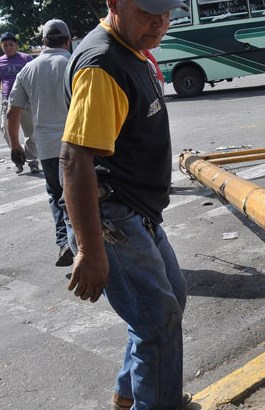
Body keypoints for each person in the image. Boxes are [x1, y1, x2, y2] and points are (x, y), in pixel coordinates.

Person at [60, 0, 192, 408]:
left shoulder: (132, 49)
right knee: (156, 321)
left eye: (167, 12)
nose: (159, 22)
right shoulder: (103, 66)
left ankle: (128, 392)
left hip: (140, 211)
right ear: (114, 3)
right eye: (147, 11)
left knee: (172, 299)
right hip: (113, 216)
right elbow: (74, 159)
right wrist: (90, 249)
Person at [7, 19, 74, 267]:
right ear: (67, 40)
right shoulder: (76, 64)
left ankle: (65, 243)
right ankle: (87, 243)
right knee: (85, 195)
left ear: (43, 42)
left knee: (57, 195)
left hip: (46, 148)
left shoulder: (28, 70)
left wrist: (15, 146)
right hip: (79, 144)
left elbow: (12, 112)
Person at [0, 31, 39, 174]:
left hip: (25, 101)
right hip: (7, 101)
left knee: (30, 131)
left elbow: (34, 78)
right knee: (6, 131)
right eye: (5, 45)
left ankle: (33, 161)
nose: (8, 47)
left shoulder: (26, 59)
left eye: (11, 44)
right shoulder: (1, 61)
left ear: (16, 45)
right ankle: (18, 159)